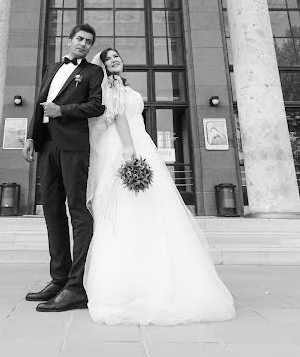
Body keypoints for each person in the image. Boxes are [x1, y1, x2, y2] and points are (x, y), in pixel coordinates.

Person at [84, 48, 236, 325]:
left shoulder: (125, 86)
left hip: (141, 141)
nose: (115, 60)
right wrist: (129, 150)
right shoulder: (109, 86)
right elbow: (118, 116)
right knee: (127, 210)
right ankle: (129, 285)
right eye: (109, 59)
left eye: (117, 56)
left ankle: (160, 276)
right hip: (125, 146)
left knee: (154, 210)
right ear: (103, 66)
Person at [22, 24, 105, 312]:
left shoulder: (94, 73)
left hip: (73, 147)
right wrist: (32, 136)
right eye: (79, 39)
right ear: (69, 41)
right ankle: (58, 279)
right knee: (52, 210)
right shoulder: (53, 67)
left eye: (89, 42)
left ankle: (76, 286)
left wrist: (63, 111)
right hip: (47, 147)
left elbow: (97, 106)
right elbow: (39, 104)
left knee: (78, 211)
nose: (83, 44)